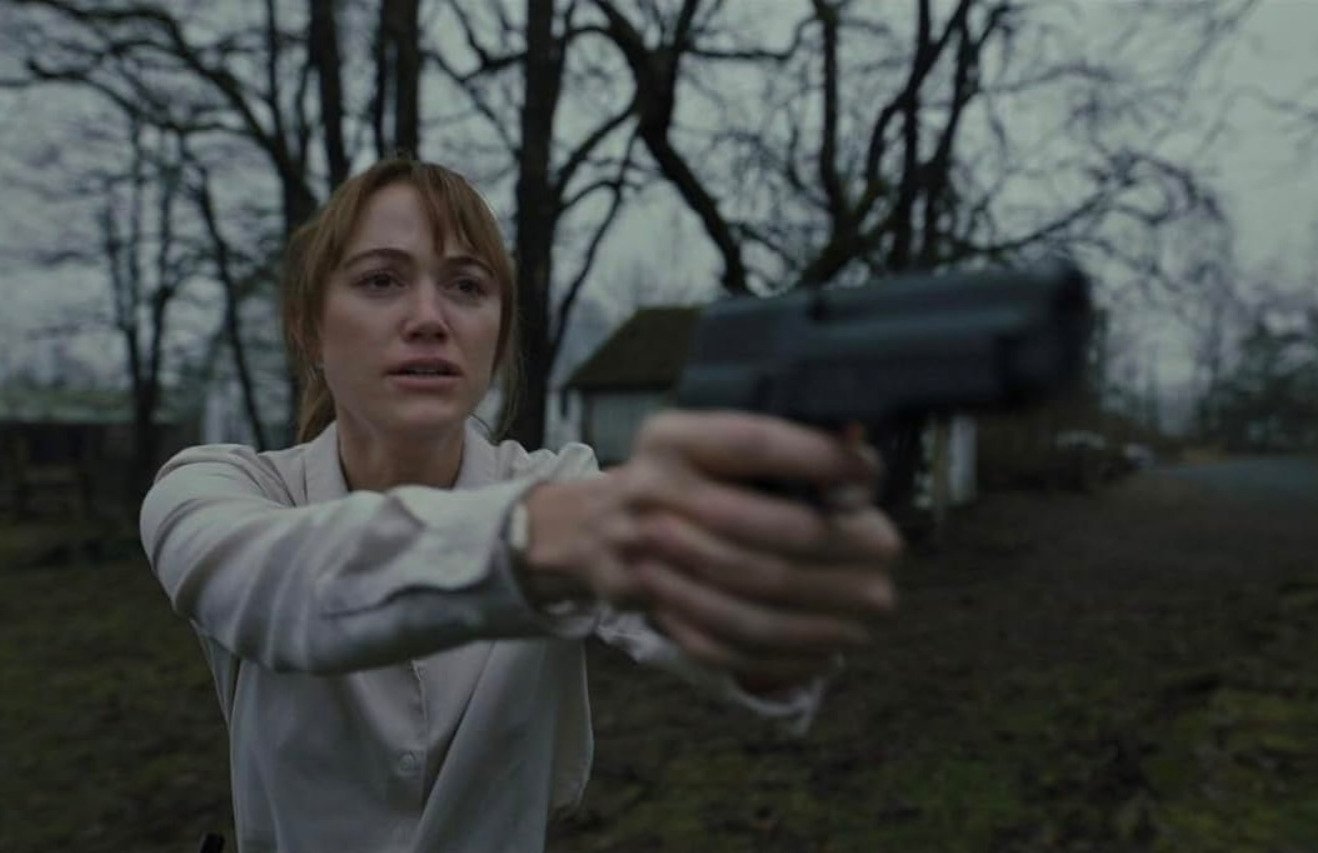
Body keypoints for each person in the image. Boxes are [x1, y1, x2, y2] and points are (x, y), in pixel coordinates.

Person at [139, 158, 902, 852]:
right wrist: (543, 540)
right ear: (307, 326)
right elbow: (280, 590)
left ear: (498, 334)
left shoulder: (565, 482)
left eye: (467, 286)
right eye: (380, 280)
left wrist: (762, 614)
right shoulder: (216, 487)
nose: (429, 316)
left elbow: (682, 613)